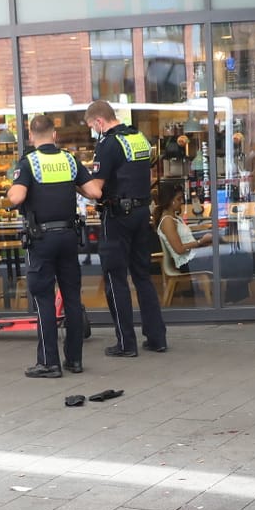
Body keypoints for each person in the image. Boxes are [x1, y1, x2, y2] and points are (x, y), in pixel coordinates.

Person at [8, 116, 99, 378]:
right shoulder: (69, 160)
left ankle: (49, 362)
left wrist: (12, 192)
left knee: (44, 299)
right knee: (71, 297)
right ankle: (75, 360)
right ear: (55, 135)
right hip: (69, 236)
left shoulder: (29, 163)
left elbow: (17, 196)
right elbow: (94, 191)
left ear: (31, 135)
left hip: (42, 239)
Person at [84, 100, 167, 357]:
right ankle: (156, 338)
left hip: (117, 216)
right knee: (142, 276)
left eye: (92, 126)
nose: (94, 131)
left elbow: (96, 190)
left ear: (99, 121)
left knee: (115, 278)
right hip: (142, 213)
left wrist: (78, 182)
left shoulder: (108, 144)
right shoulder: (138, 137)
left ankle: (125, 343)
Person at [154, 184, 254, 304]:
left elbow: (186, 240)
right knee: (237, 256)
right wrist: (201, 241)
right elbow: (179, 249)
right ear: (170, 201)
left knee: (238, 255)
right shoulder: (167, 222)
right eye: (178, 199)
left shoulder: (174, 218)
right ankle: (233, 298)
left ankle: (233, 297)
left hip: (194, 255)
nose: (181, 202)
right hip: (188, 261)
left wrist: (204, 239)